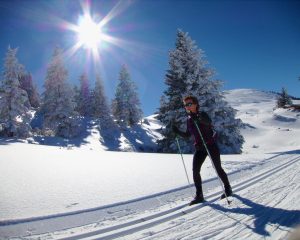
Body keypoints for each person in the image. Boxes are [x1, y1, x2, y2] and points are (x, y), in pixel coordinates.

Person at [172, 95, 232, 205]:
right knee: (195, 170)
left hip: (210, 145)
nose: (187, 106)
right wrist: (177, 132)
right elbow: (187, 135)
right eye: (185, 105)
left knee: (218, 168)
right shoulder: (189, 119)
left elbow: (208, 122)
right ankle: (199, 195)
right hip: (200, 148)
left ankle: (228, 188)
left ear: (195, 104)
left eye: (189, 104)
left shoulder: (202, 114)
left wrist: (199, 118)